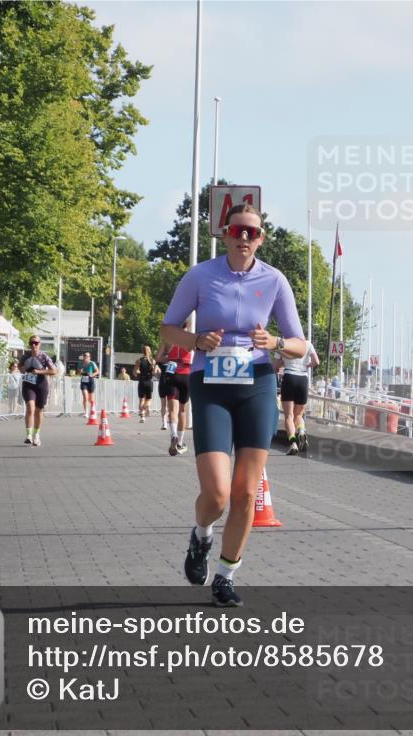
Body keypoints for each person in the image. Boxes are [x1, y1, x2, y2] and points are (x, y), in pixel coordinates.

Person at [160, 203, 305, 607]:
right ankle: (201, 535)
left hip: (256, 384)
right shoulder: (200, 275)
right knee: (218, 494)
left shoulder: (274, 280)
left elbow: (299, 344)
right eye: (237, 230)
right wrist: (196, 341)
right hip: (210, 383)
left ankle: (226, 575)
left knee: (245, 493)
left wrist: (275, 342)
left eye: (252, 232)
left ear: (260, 239)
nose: (244, 237)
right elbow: (168, 328)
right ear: (224, 234)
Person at [156, 331, 194, 455]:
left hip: (171, 372)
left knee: (172, 409)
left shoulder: (169, 339)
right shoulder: (190, 338)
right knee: (182, 410)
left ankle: (173, 435)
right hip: (186, 372)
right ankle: (180, 443)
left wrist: (169, 358)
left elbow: (158, 358)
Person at [279, 340, 319, 455]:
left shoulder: (282, 342)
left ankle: (293, 443)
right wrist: (307, 365)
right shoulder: (307, 344)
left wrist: (282, 363)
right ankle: (301, 431)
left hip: (289, 376)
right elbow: (316, 361)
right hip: (302, 378)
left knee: (289, 416)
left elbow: (276, 364)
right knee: (299, 415)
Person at [18, 336, 57, 446]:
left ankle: (36, 435)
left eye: (36, 343)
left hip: (41, 384)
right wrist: (23, 369)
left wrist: (39, 372)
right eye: (31, 343)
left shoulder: (44, 356)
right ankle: (29, 435)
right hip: (28, 384)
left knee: (38, 411)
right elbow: (19, 366)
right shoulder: (25, 356)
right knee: (30, 407)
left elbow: (54, 371)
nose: (33, 345)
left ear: (40, 344)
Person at [133, 345, 159, 423]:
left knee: (141, 400)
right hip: (149, 381)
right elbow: (154, 373)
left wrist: (139, 372)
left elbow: (135, 372)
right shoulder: (152, 361)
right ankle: (145, 409)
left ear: (142, 351)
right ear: (149, 351)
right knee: (149, 399)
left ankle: (142, 416)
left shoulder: (139, 360)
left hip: (141, 381)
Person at [79, 352, 99, 417]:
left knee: (91, 399)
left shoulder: (92, 363)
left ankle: (93, 410)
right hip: (84, 380)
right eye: (84, 356)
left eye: (86, 356)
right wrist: (81, 371)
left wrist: (92, 375)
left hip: (90, 380)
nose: (85, 357)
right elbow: (79, 371)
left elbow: (97, 371)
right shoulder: (81, 363)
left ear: (89, 357)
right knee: (85, 396)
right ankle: (86, 412)